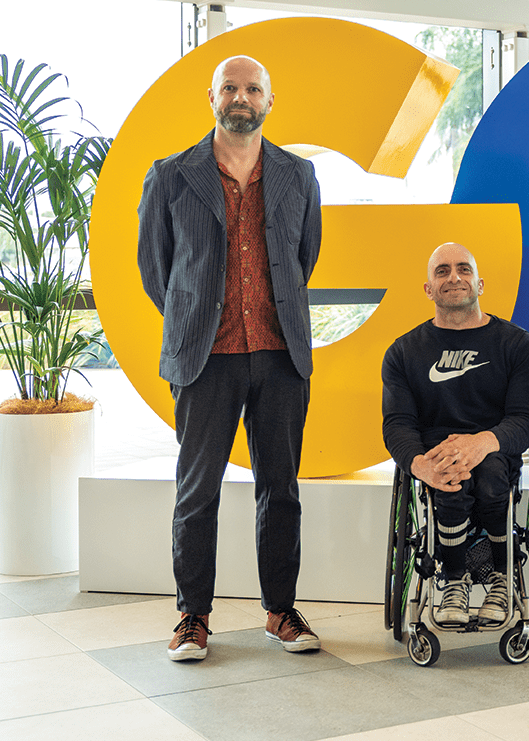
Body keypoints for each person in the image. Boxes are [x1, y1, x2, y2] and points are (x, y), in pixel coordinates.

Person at [137, 55, 323, 661]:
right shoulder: (170, 175)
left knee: (282, 489)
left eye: (253, 89)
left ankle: (280, 612)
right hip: (204, 357)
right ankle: (192, 618)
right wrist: (197, 318)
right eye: (230, 88)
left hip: (280, 353)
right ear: (211, 98)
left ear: (271, 100)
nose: (241, 97)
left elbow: (303, 258)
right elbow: (155, 270)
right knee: (197, 493)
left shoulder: (300, 175)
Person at [382, 242, 529, 626]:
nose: (454, 277)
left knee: (487, 475)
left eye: (463, 269)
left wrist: (481, 443)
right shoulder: (403, 353)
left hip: (495, 449)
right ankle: (453, 579)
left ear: (480, 283)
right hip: (435, 454)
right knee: (449, 478)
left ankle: (501, 576)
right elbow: (397, 424)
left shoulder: (517, 345)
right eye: (442, 271)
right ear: (428, 289)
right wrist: (421, 465)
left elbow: (525, 419)